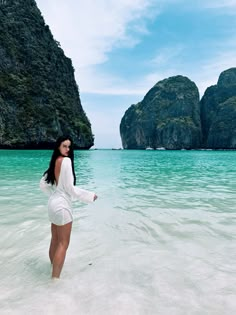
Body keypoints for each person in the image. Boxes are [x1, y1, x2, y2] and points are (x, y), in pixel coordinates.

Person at [40, 135, 97, 279]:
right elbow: (70, 189)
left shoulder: (54, 162)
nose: (67, 149)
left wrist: (54, 194)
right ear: (58, 146)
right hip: (62, 206)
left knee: (55, 240)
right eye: (64, 146)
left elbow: (43, 184)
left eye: (69, 146)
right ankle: (55, 280)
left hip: (52, 204)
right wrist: (90, 196)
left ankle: (52, 271)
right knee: (63, 244)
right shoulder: (66, 161)